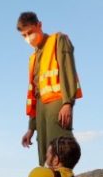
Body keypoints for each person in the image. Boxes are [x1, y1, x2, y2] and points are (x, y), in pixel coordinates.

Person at [17, 11, 82, 166]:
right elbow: (34, 92)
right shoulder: (33, 59)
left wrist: (68, 103)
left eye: (30, 32)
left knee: (59, 151)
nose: (28, 38)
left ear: (39, 25)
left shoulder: (58, 40)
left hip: (57, 103)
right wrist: (31, 127)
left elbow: (67, 70)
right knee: (44, 156)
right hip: (40, 109)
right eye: (24, 35)